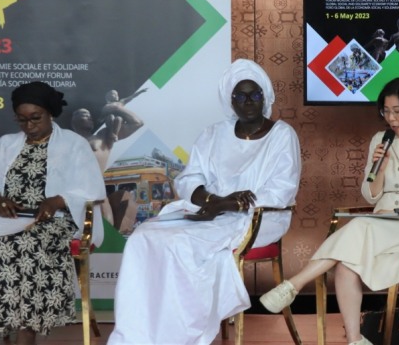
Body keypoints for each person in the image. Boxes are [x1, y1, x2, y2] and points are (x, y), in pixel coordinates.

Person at [107, 59, 301, 345]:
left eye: (255, 94)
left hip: (259, 217)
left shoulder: (282, 135)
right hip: (210, 210)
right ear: (230, 101)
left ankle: (183, 335)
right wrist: (214, 201)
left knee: (182, 245)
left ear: (266, 96)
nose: (248, 102)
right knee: (143, 237)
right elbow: (189, 179)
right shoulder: (214, 134)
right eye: (240, 96)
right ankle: (141, 334)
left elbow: (282, 190)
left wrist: (229, 205)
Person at [259, 76, 399, 345]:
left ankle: (295, 284)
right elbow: (369, 193)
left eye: (398, 112)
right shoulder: (380, 140)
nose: (391, 119)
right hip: (380, 224)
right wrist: (380, 170)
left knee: (361, 225)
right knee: (346, 266)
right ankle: (355, 340)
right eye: (386, 111)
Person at [0, 81, 105, 345]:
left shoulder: (74, 144)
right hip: (8, 219)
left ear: (50, 114)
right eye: (21, 119)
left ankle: (26, 332)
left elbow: (92, 189)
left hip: (54, 222)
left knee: (27, 245)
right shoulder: (6, 144)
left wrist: (58, 200)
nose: (29, 125)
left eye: (35, 118)